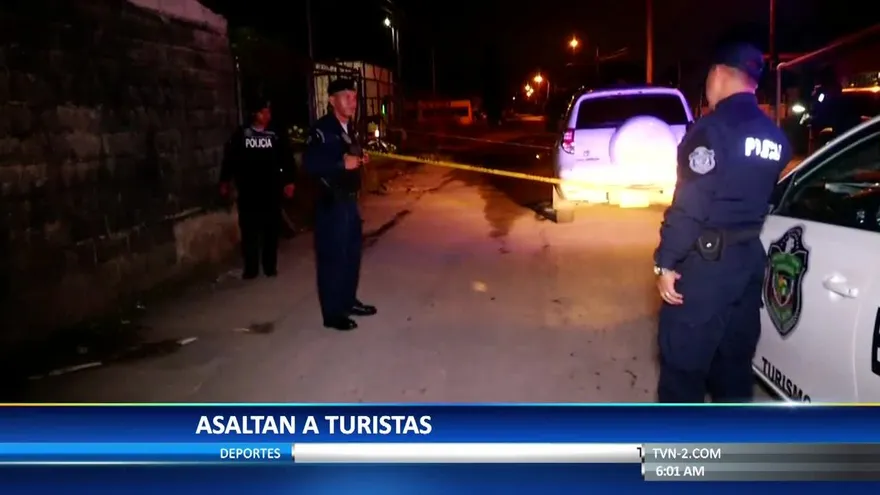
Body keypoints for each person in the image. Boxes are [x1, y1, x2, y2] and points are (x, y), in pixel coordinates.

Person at [653, 43, 792, 403]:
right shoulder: (775, 137)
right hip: (747, 264)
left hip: (706, 269)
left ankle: (679, 457)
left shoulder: (711, 131)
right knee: (734, 371)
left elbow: (691, 203)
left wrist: (666, 261)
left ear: (718, 75)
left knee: (683, 371)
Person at [303, 79, 377, 331]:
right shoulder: (322, 130)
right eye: (346, 97)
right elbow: (310, 165)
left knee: (351, 255)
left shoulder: (349, 129)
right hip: (331, 204)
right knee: (333, 258)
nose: (352, 102)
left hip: (350, 203)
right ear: (332, 100)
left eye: (354, 97)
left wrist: (360, 159)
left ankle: (347, 301)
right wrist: (339, 165)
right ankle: (332, 314)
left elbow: (349, 157)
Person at [219, 100, 296, 279]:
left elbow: (287, 158)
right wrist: (225, 180)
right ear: (255, 114)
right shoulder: (242, 134)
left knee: (271, 230)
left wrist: (289, 181)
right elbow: (230, 158)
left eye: (269, 112)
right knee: (249, 230)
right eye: (264, 112)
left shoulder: (275, 133)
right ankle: (251, 268)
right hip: (248, 190)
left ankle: (270, 267)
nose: (267, 116)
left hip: (271, 189)